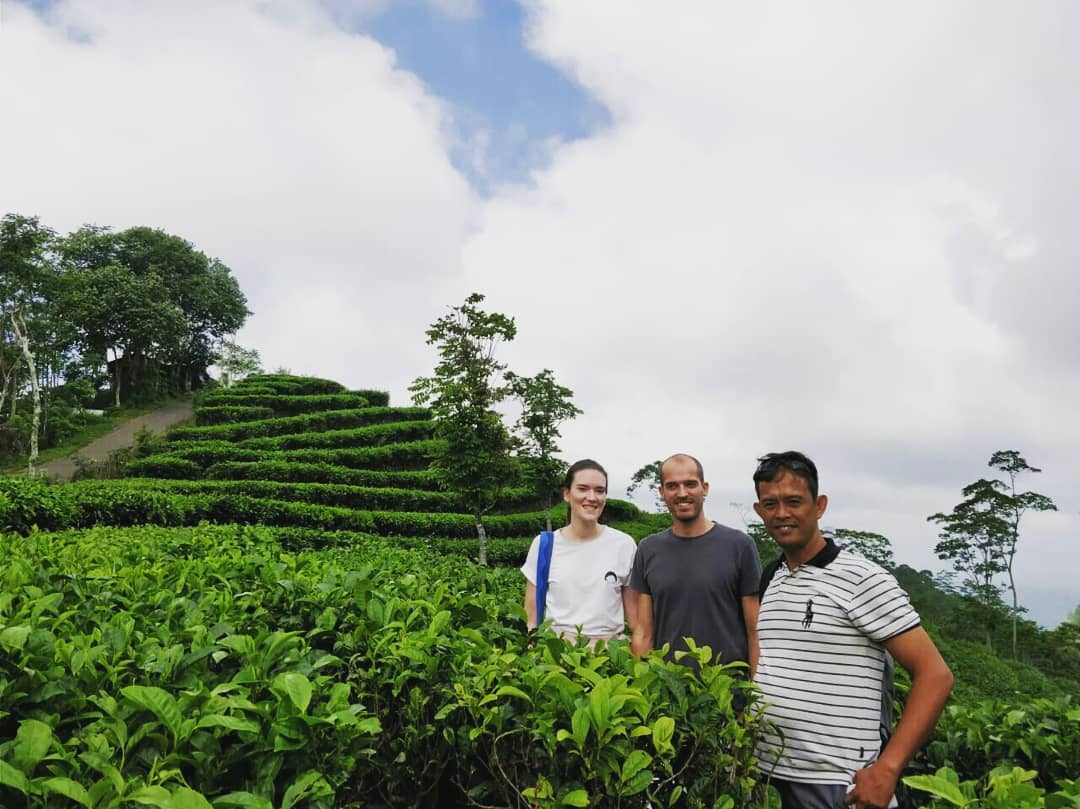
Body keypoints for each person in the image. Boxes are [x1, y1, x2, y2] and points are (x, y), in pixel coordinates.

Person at [752, 451, 954, 809]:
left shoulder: (862, 578)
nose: (781, 513)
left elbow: (935, 675)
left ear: (820, 506)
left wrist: (888, 768)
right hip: (766, 776)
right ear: (759, 510)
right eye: (771, 504)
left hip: (837, 783)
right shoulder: (772, 576)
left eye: (794, 501)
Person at [629, 453, 761, 672]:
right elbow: (644, 631)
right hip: (669, 692)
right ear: (662, 492)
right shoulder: (648, 549)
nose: (682, 493)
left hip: (726, 691)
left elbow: (754, 630)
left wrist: (751, 695)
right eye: (672, 486)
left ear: (705, 488)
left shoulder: (740, 546)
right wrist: (643, 690)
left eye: (690, 484)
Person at [522, 459, 638, 643]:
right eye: (582, 489)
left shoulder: (624, 544)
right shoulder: (544, 545)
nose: (592, 497)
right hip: (557, 655)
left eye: (599, 490)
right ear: (567, 494)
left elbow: (636, 622)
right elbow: (531, 618)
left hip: (609, 658)